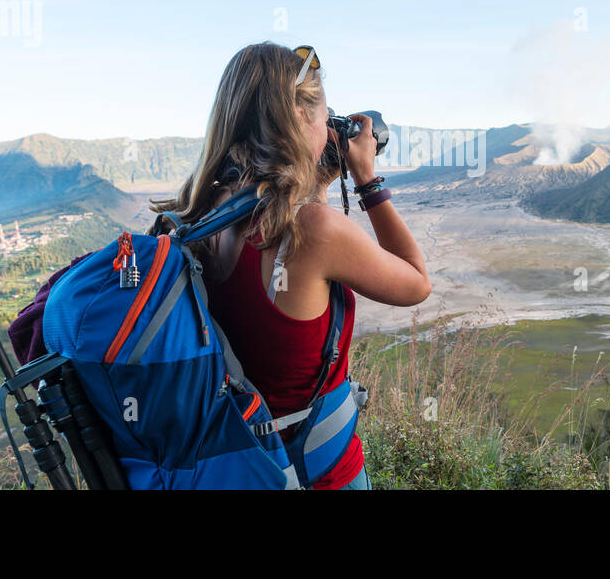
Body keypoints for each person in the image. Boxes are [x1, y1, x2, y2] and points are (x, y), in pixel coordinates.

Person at [148, 41, 432, 489]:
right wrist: (367, 179)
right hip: (316, 470)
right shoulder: (315, 231)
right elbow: (416, 283)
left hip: (242, 463)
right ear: (300, 117)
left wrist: (313, 178)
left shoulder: (198, 213)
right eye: (323, 116)